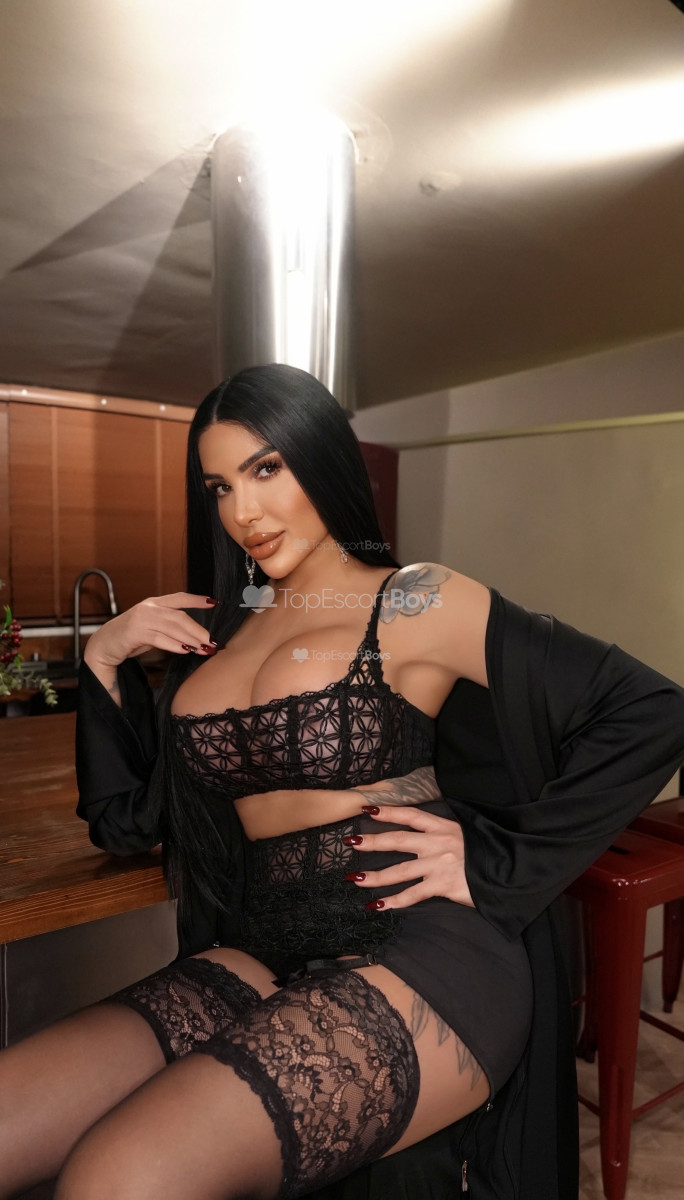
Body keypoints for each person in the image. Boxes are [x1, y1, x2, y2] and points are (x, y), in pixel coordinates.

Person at [1, 364, 683, 1200]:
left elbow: (650, 710)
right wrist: (105, 656)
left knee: (122, 1176)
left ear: (321, 458)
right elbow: (123, 822)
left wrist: (494, 858)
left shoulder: (416, 599)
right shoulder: (219, 634)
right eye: (220, 486)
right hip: (260, 947)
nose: (243, 512)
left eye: (266, 469)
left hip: (422, 951)